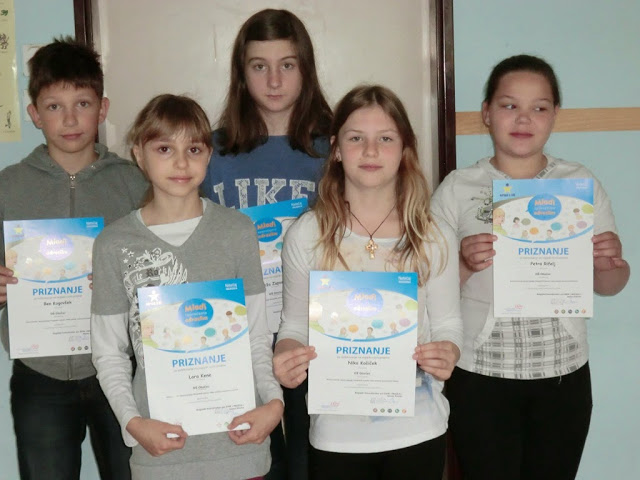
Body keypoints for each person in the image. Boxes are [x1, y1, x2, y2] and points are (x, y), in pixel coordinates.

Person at [430, 54, 630, 480]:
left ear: (555, 114)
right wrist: (463, 264)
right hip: (480, 372)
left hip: (563, 372)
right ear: (487, 112)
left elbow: (611, 284)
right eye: (509, 105)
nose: (524, 118)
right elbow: (427, 288)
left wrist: (608, 262)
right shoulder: (457, 188)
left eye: (539, 107)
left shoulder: (579, 184)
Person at [273, 85, 462, 480]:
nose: (371, 151)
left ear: (405, 149)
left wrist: (448, 353)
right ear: (336, 149)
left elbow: (448, 325)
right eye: (356, 138)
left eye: (386, 139)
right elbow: (292, 326)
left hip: (419, 430)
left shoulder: (434, 235)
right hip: (336, 436)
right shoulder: (307, 234)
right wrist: (287, 355)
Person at [90, 94, 284, 480]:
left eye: (193, 149)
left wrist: (274, 403)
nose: (181, 162)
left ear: (208, 155)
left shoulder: (237, 231)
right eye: (164, 148)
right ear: (139, 155)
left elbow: (257, 337)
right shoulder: (114, 243)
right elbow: (109, 354)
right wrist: (133, 423)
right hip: (160, 452)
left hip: (240, 446)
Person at [0, 37, 147, 480]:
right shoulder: (8, 186)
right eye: (54, 107)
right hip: (39, 373)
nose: (69, 119)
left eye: (82, 103)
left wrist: (133, 284)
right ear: (34, 114)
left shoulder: (135, 184)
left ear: (102, 109)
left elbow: (163, 271)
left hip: (120, 371)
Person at [200, 9, 333, 479]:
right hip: (237, 339)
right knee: (256, 464)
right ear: (241, 73)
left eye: (287, 65)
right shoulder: (210, 152)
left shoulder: (337, 148)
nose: (274, 81)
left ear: (306, 69)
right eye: (260, 66)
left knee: (312, 460)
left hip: (314, 338)